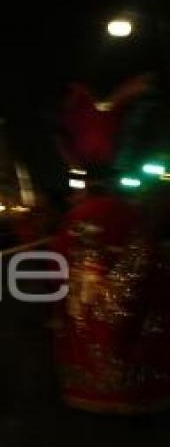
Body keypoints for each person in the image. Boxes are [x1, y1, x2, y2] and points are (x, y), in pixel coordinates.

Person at [54, 78, 170, 414]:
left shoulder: (74, 219)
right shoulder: (132, 214)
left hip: (88, 311)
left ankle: (90, 383)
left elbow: (58, 268)